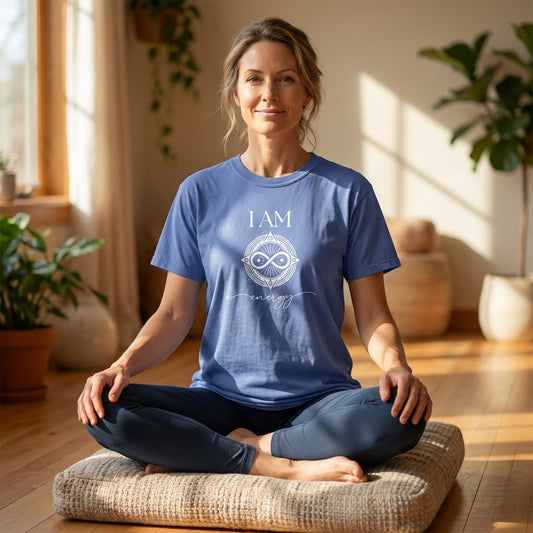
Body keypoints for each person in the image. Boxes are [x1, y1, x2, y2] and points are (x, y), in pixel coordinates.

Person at [77, 17, 432, 484]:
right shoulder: (199, 192)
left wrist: (397, 368)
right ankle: (275, 464)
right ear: (235, 94)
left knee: (401, 414)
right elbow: (171, 316)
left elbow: (373, 314)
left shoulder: (347, 191)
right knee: (105, 408)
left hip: (318, 402)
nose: (270, 94)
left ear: (307, 93)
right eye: (255, 79)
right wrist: (119, 366)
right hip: (221, 401)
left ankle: (237, 450)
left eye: (286, 79)